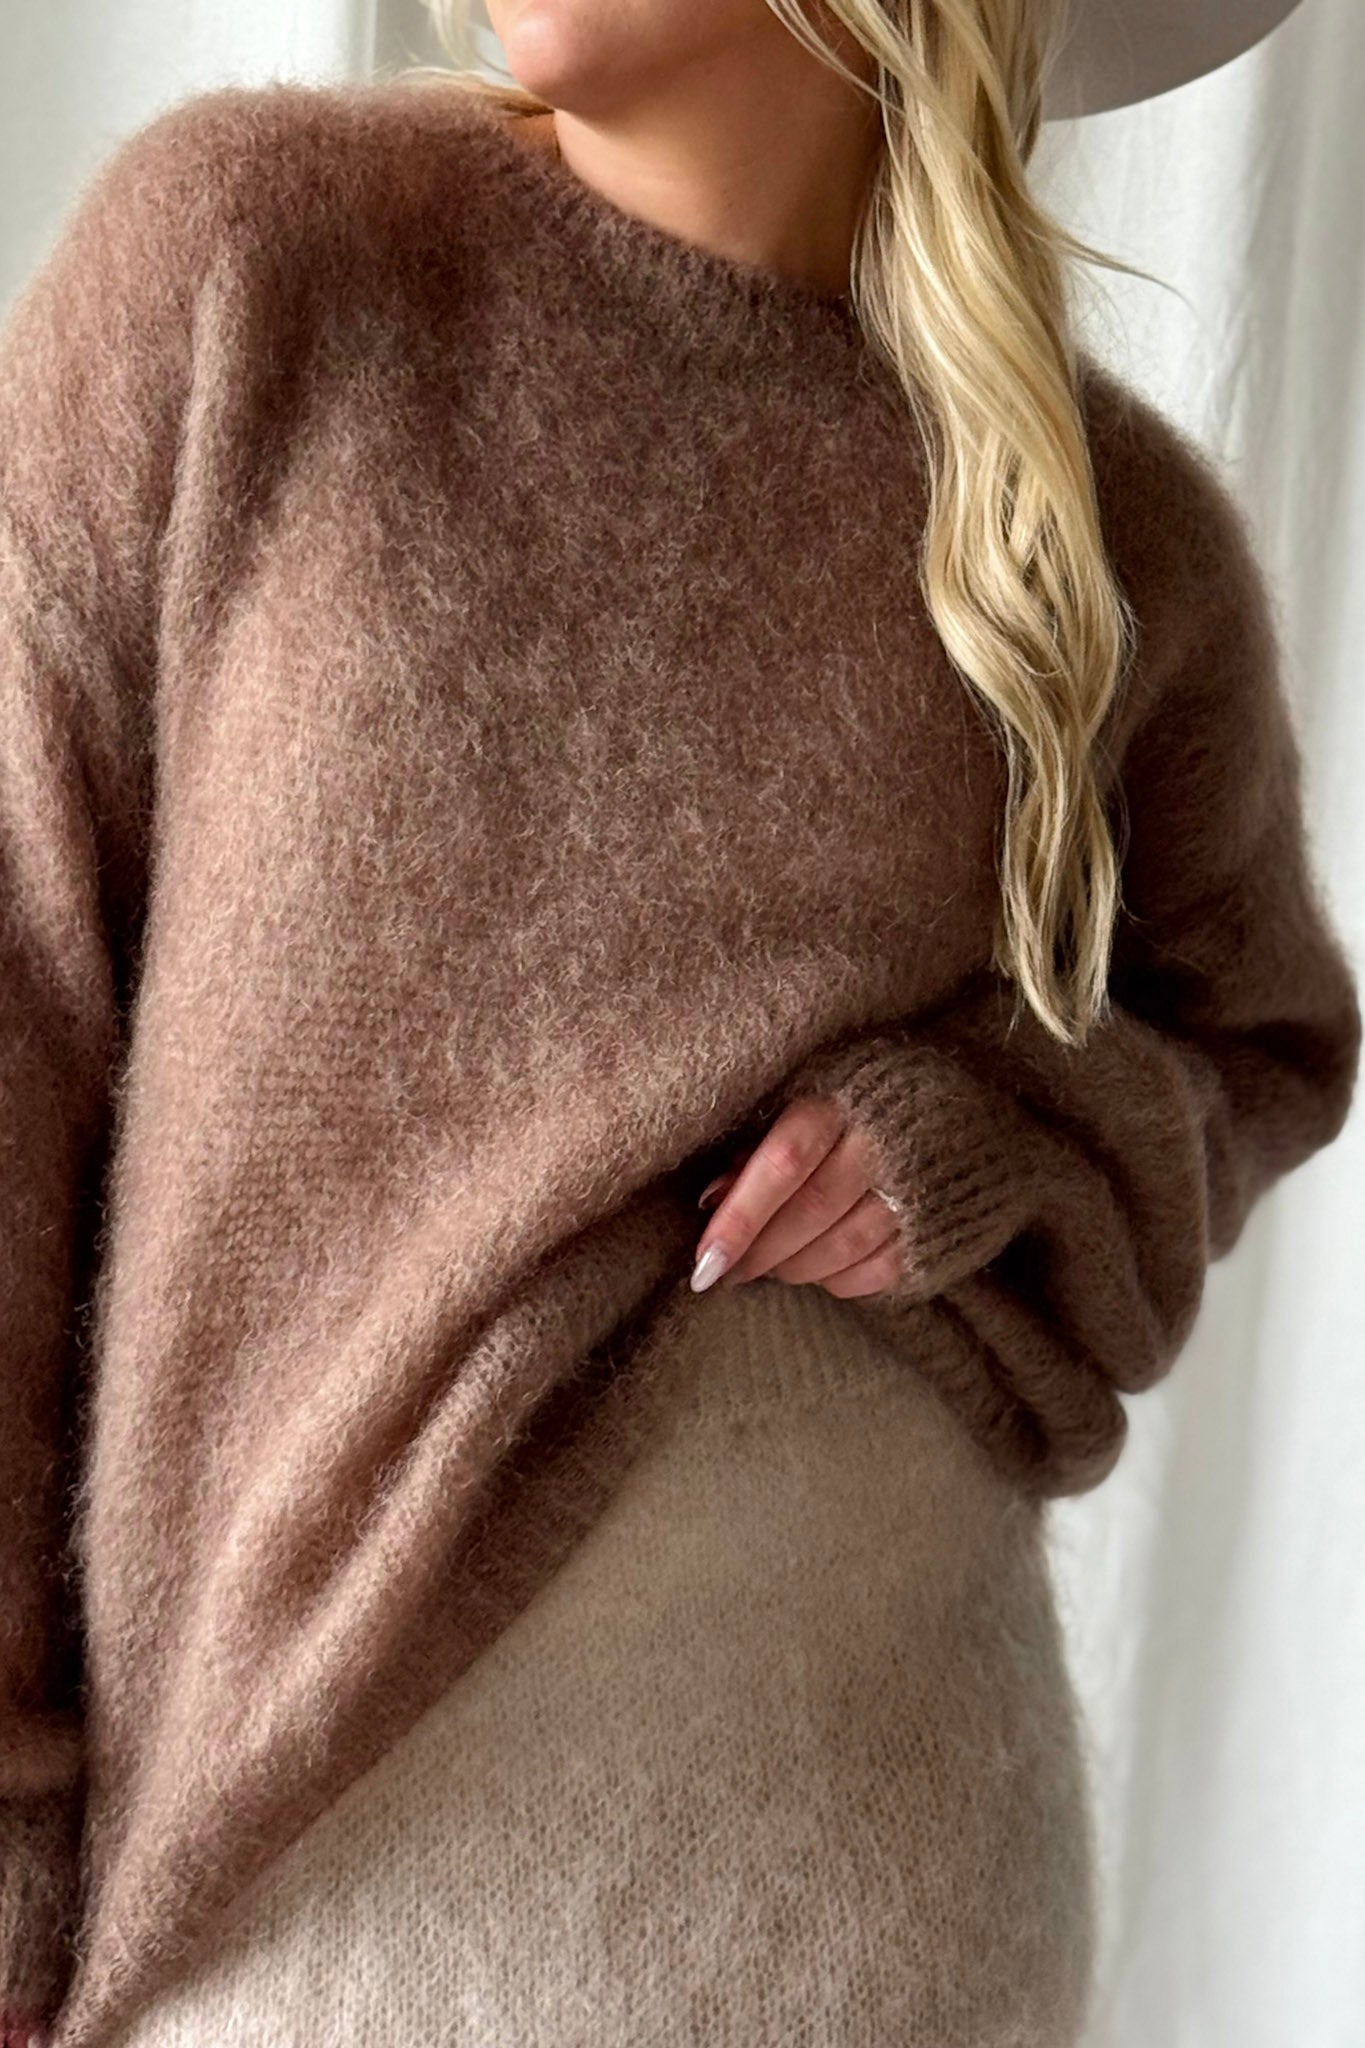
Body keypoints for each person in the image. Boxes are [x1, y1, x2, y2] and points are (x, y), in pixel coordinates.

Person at [0, 0, 1353, 2043]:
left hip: (886, 1915)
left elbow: (1256, 1051)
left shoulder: (1098, 534)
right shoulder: (254, 270)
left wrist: (983, 1124)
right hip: (299, 1924)